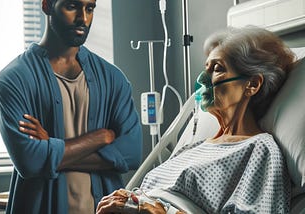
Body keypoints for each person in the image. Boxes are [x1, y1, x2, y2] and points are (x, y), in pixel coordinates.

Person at [95, 26, 297, 214]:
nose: (202, 79)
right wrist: (127, 199)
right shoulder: (193, 147)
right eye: (206, 68)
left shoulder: (259, 149)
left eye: (217, 68)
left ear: (252, 84)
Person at [0, 0, 143, 213]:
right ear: (46, 6)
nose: (83, 18)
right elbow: (29, 161)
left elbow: (131, 153)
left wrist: (52, 149)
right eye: (72, 6)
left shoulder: (113, 78)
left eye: (89, 8)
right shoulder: (14, 79)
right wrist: (97, 139)